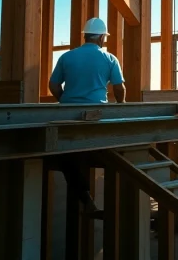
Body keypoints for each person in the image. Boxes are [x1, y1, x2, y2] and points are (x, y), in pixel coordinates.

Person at [48, 17, 126, 218]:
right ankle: (114, 206)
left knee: (67, 157)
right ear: (101, 37)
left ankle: (86, 197)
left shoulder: (67, 57)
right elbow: (119, 88)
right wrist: (121, 106)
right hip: (96, 117)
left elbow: (54, 85)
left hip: (68, 117)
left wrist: (65, 99)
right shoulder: (109, 59)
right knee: (109, 155)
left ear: (85, 36)